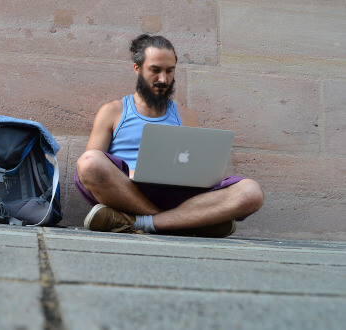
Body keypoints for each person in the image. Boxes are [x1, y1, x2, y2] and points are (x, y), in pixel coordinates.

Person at [75, 34, 264, 237]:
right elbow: (90, 168)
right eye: (155, 70)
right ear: (137, 68)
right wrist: (133, 173)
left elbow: (198, 169)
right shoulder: (113, 111)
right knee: (89, 162)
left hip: (177, 195)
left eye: (169, 71)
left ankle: (138, 222)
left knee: (251, 193)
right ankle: (184, 221)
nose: (163, 79)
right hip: (127, 191)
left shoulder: (187, 116)